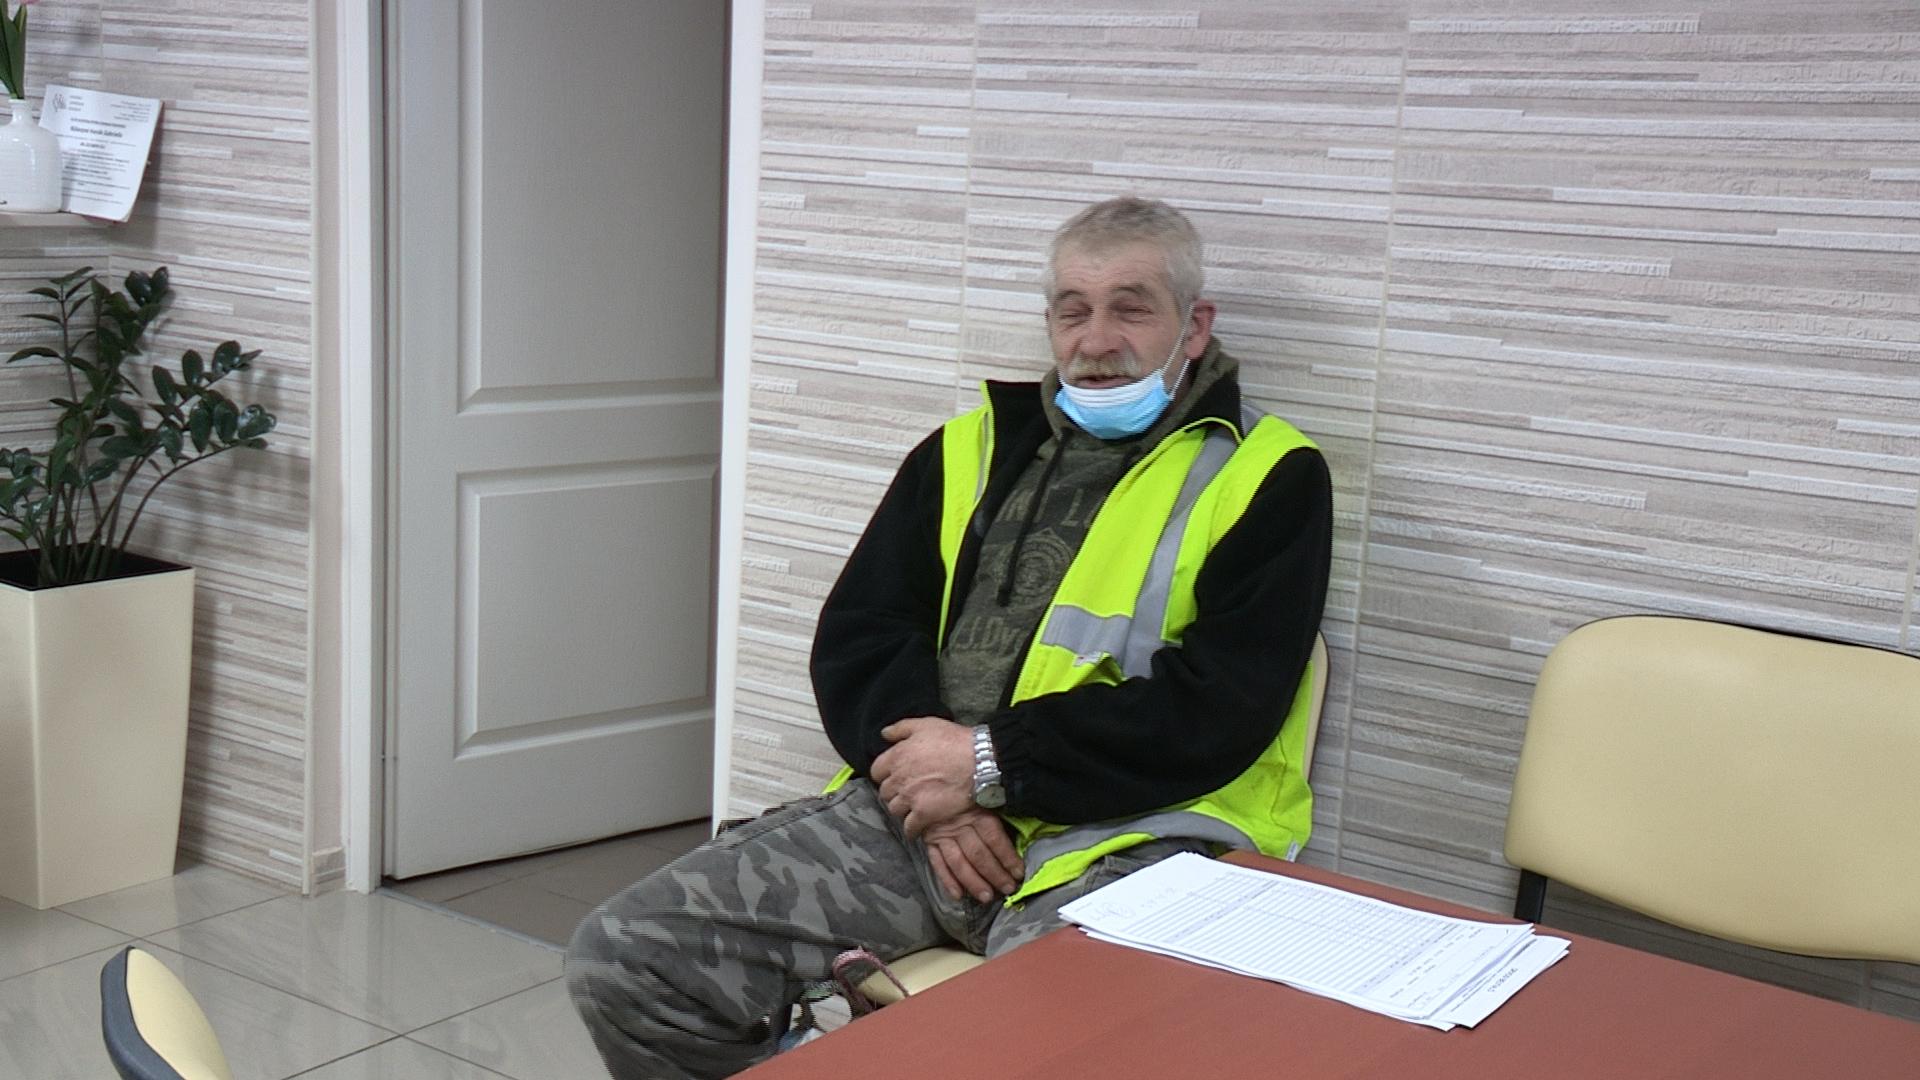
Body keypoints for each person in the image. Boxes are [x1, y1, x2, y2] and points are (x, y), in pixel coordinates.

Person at [566, 196, 1333, 1079]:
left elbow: (1224, 704)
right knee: (626, 956)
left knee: (1060, 1052)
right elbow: (862, 638)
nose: (1095, 339)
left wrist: (986, 763)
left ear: (1193, 327)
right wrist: (932, 791)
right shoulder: (963, 450)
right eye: (1072, 311)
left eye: (1131, 308)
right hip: (918, 818)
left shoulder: (1270, 474)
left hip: (1129, 841)